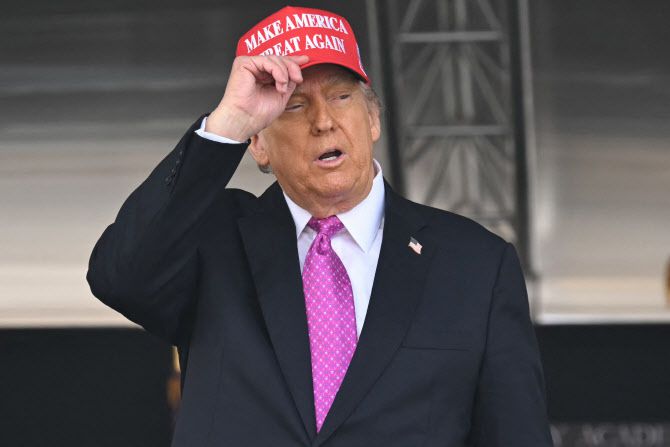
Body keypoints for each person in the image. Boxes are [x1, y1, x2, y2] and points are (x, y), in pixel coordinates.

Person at [86, 6, 553, 447]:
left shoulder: (475, 264)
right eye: (294, 106)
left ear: (373, 119)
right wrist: (227, 123)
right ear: (257, 144)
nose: (324, 121)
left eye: (341, 96)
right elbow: (119, 277)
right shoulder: (212, 240)